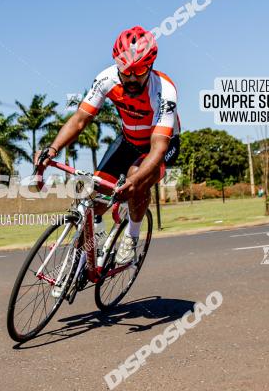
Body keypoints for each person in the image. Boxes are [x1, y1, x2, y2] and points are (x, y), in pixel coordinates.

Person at [35, 26, 179, 265]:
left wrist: (134, 182)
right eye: (126, 71)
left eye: (139, 71)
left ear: (151, 65)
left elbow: (159, 147)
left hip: (160, 146)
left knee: (135, 177)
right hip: (128, 140)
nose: (132, 78)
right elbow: (80, 120)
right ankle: (81, 261)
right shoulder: (106, 79)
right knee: (94, 195)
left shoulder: (164, 90)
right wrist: (52, 150)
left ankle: (132, 235)